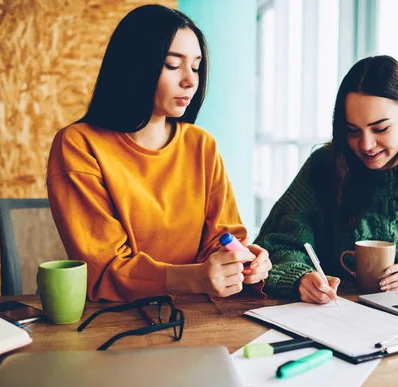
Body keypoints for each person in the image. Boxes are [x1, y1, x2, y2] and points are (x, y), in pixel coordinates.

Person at [47, 5, 271, 302]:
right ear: (135, 65)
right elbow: (104, 268)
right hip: (115, 321)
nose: (190, 81)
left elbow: (222, 239)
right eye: (172, 65)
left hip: (199, 316)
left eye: (196, 66)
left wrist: (242, 262)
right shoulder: (79, 145)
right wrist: (195, 277)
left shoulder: (202, 145)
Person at [255, 55, 398, 304]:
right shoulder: (322, 167)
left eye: (380, 129)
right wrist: (301, 278)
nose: (366, 145)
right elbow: (274, 245)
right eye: (352, 131)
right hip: (334, 312)